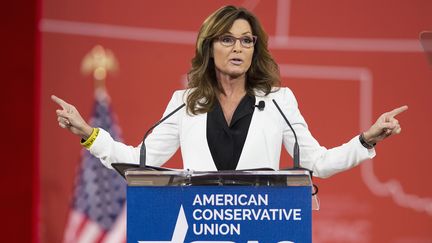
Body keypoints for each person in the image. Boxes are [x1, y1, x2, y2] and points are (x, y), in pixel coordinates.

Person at [52, 5, 407, 178]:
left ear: (255, 49)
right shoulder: (185, 103)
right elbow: (141, 163)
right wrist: (89, 134)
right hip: (200, 228)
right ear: (210, 47)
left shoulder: (279, 101)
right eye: (227, 39)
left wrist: (367, 139)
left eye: (246, 41)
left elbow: (317, 164)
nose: (238, 48)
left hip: (261, 228)